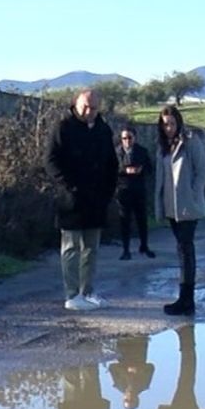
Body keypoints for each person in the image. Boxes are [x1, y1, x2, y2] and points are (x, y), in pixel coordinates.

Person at [45, 89, 119, 311]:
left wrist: (108, 191)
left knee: (91, 247)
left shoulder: (103, 129)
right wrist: (70, 186)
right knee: (71, 247)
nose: (89, 111)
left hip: (96, 199)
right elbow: (50, 161)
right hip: (71, 199)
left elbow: (112, 163)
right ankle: (72, 294)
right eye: (85, 106)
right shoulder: (63, 128)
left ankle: (87, 291)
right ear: (76, 105)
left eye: (94, 108)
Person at [152, 104, 205, 316]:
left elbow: (202, 173)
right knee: (181, 249)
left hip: (188, 205)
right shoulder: (162, 147)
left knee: (186, 249)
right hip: (171, 206)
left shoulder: (191, 141)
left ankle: (186, 300)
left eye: (172, 123)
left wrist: (193, 194)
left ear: (179, 122)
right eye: (165, 124)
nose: (169, 128)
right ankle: (185, 299)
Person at [115, 126, 156, 260]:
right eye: (124, 138)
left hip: (139, 190)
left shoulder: (142, 151)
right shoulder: (117, 152)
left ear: (135, 138)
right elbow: (111, 170)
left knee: (142, 219)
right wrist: (124, 171)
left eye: (129, 138)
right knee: (124, 221)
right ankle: (126, 249)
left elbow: (150, 169)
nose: (127, 141)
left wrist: (140, 170)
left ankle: (144, 245)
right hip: (123, 191)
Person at [106, 334, 156, 409]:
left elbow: (112, 367)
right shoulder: (144, 384)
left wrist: (125, 371)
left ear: (123, 398)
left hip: (123, 349)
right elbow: (151, 367)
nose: (129, 397)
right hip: (139, 348)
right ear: (137, 399)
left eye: (126, 400)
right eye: (132, 400)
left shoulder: (118, 385)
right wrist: (139, 369)